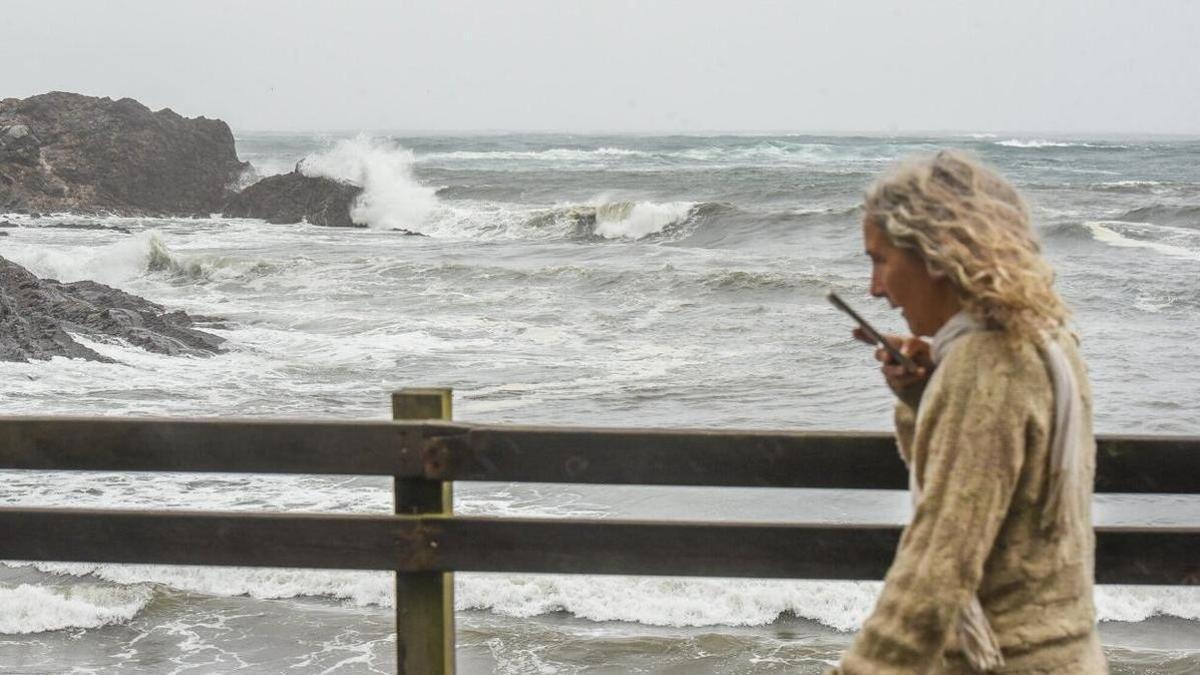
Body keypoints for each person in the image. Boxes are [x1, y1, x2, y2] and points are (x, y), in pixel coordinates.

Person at [830, 151, 1107, 674]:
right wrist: (924, 398)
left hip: (1005, 661)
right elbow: (994, 492)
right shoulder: (1047, 344)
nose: (874, 289)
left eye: (881, 260)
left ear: (935, 254)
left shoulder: (984, 365)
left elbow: (940, 561)